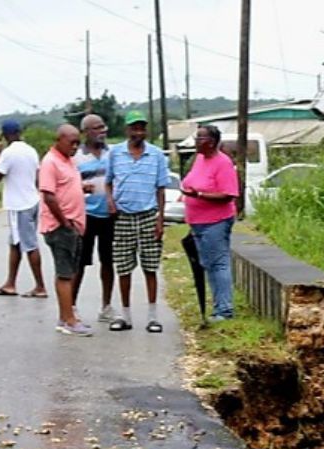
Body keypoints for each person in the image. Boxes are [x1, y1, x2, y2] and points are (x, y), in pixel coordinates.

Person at [106, 110, 174, 332]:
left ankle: (153, 317)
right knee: (123, 267)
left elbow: (161, 189)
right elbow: (108, 182)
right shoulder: (115, 153)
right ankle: (125, 316)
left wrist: (160, 219)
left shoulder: (156, 155)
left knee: (150, 266)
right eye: (134, 128)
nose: (138, 132)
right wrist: (110, 201)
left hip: (147, 216)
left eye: (142, 128)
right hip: (123, 216)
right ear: (127, 130)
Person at [38, 122, 93, 336]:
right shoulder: (50, 162)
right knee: (65, 274)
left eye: (78, 143)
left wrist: (81, 189)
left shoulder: (68, 161)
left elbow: (65, 187)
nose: (75, 147)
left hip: (74, 225)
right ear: (59, 140)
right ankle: (69, 320)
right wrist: (64, 222)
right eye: (72, 142)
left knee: (69, 272)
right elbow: (49, 195)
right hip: (60, 227)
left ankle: (65, 315)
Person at [181, 123, 240, 321]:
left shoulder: (223, 163)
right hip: (197, 222)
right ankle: (217, 306)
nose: (196, 142)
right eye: (196, 138)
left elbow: (228, 194)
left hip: (216, 221)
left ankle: (224, 309)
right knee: (207, 263)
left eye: (200, 138)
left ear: (211, 142)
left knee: (218, 263)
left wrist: (199, 194)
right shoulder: (199, 159)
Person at [0, 118, 46, 298]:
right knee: (15, 243)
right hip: (32, 200)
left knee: (29, 245)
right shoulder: (31, 151)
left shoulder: (8, 153)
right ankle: (10, 283)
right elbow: (37, 177)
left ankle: (40, 286)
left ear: (5, 135)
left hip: (18, 204)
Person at [72, 113, 118, 324]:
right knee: (79, 263)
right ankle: (71, 306)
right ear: (86, 132)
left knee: (108, 261)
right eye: (97, 128)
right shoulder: (76, 157)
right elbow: (67, 184)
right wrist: (80, 187)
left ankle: (106, 306)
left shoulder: (114, 154)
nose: (103, 131)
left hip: (109, 215)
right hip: (86, 215)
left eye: (103, 126)